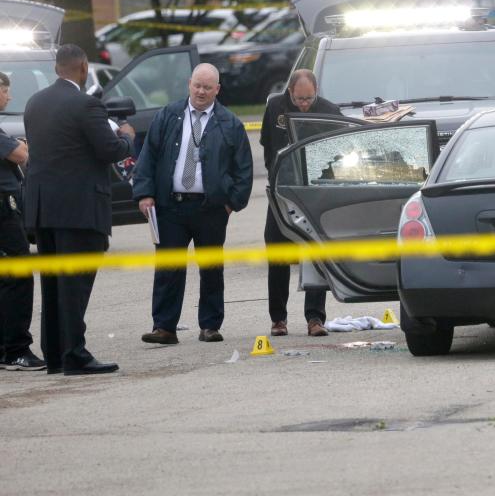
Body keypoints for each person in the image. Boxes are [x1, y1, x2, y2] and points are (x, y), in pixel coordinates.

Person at [23, 44, 135, 375]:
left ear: (58, 67)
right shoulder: (86, 103)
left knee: (54, 283)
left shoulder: (34, 102)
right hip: (79, 208)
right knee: (75, 284)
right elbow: (109, 149)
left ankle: (55, 355)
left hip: (44, 208)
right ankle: (75, 354)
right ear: (84, 68)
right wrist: (127, 136)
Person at [135, 63, 252, 345]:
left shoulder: (230, 123)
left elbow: (243, 170)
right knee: (168, 268)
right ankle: (164, 327)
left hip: (210, 209)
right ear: (189, 83)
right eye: (197, 85)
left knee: (211, 269)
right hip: (170, 207)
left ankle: (210, 325)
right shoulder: (169, 115)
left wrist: (230, 204)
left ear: (217, 90)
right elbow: (147, 157)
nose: (201, 91)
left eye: (207, 87)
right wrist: (145, 193)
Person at [260, 69, 339, 337]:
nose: (304, 104)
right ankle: (278, 319)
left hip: (314, 193)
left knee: (315, 255)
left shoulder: (329, 110)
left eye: (309, 98)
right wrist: (276, 177)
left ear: (315, 91)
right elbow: (267, 146)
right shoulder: (275, 108)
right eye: (299, 99)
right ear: (290, 92)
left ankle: (315, 318)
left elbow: (337, 154)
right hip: (282, 191)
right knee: (277, 251)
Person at [0, 72, 44, 371]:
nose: (9, 97)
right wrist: (22, 145)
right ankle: (17, 349)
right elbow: (21, 155)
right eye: (5, 90)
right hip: (3, 211)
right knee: (18, 278)